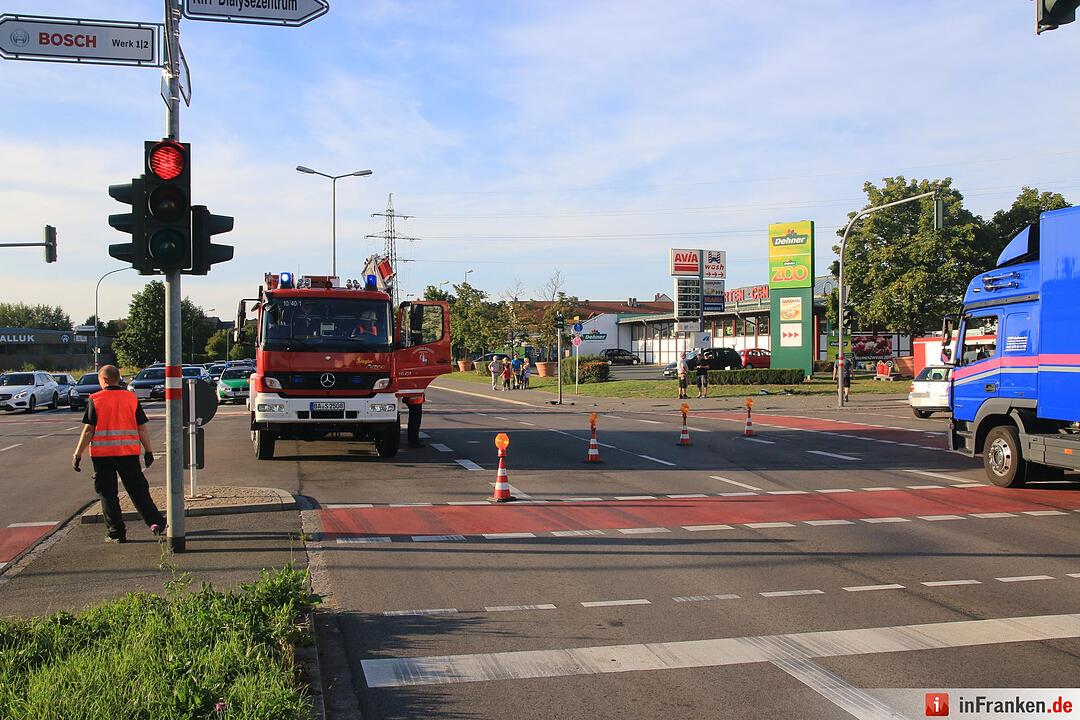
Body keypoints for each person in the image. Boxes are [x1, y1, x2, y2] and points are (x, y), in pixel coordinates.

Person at [71, 365, 166, 544]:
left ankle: (116, 532)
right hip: (128, 453)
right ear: (117, 378)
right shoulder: (131, 398)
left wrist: (78, 454)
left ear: (104, 380)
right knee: (138, 490)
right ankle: (157, 523)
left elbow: (89, 430)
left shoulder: (95, 399)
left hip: (102, 455)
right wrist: (148, 450)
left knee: (108, 494)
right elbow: (142, 428)